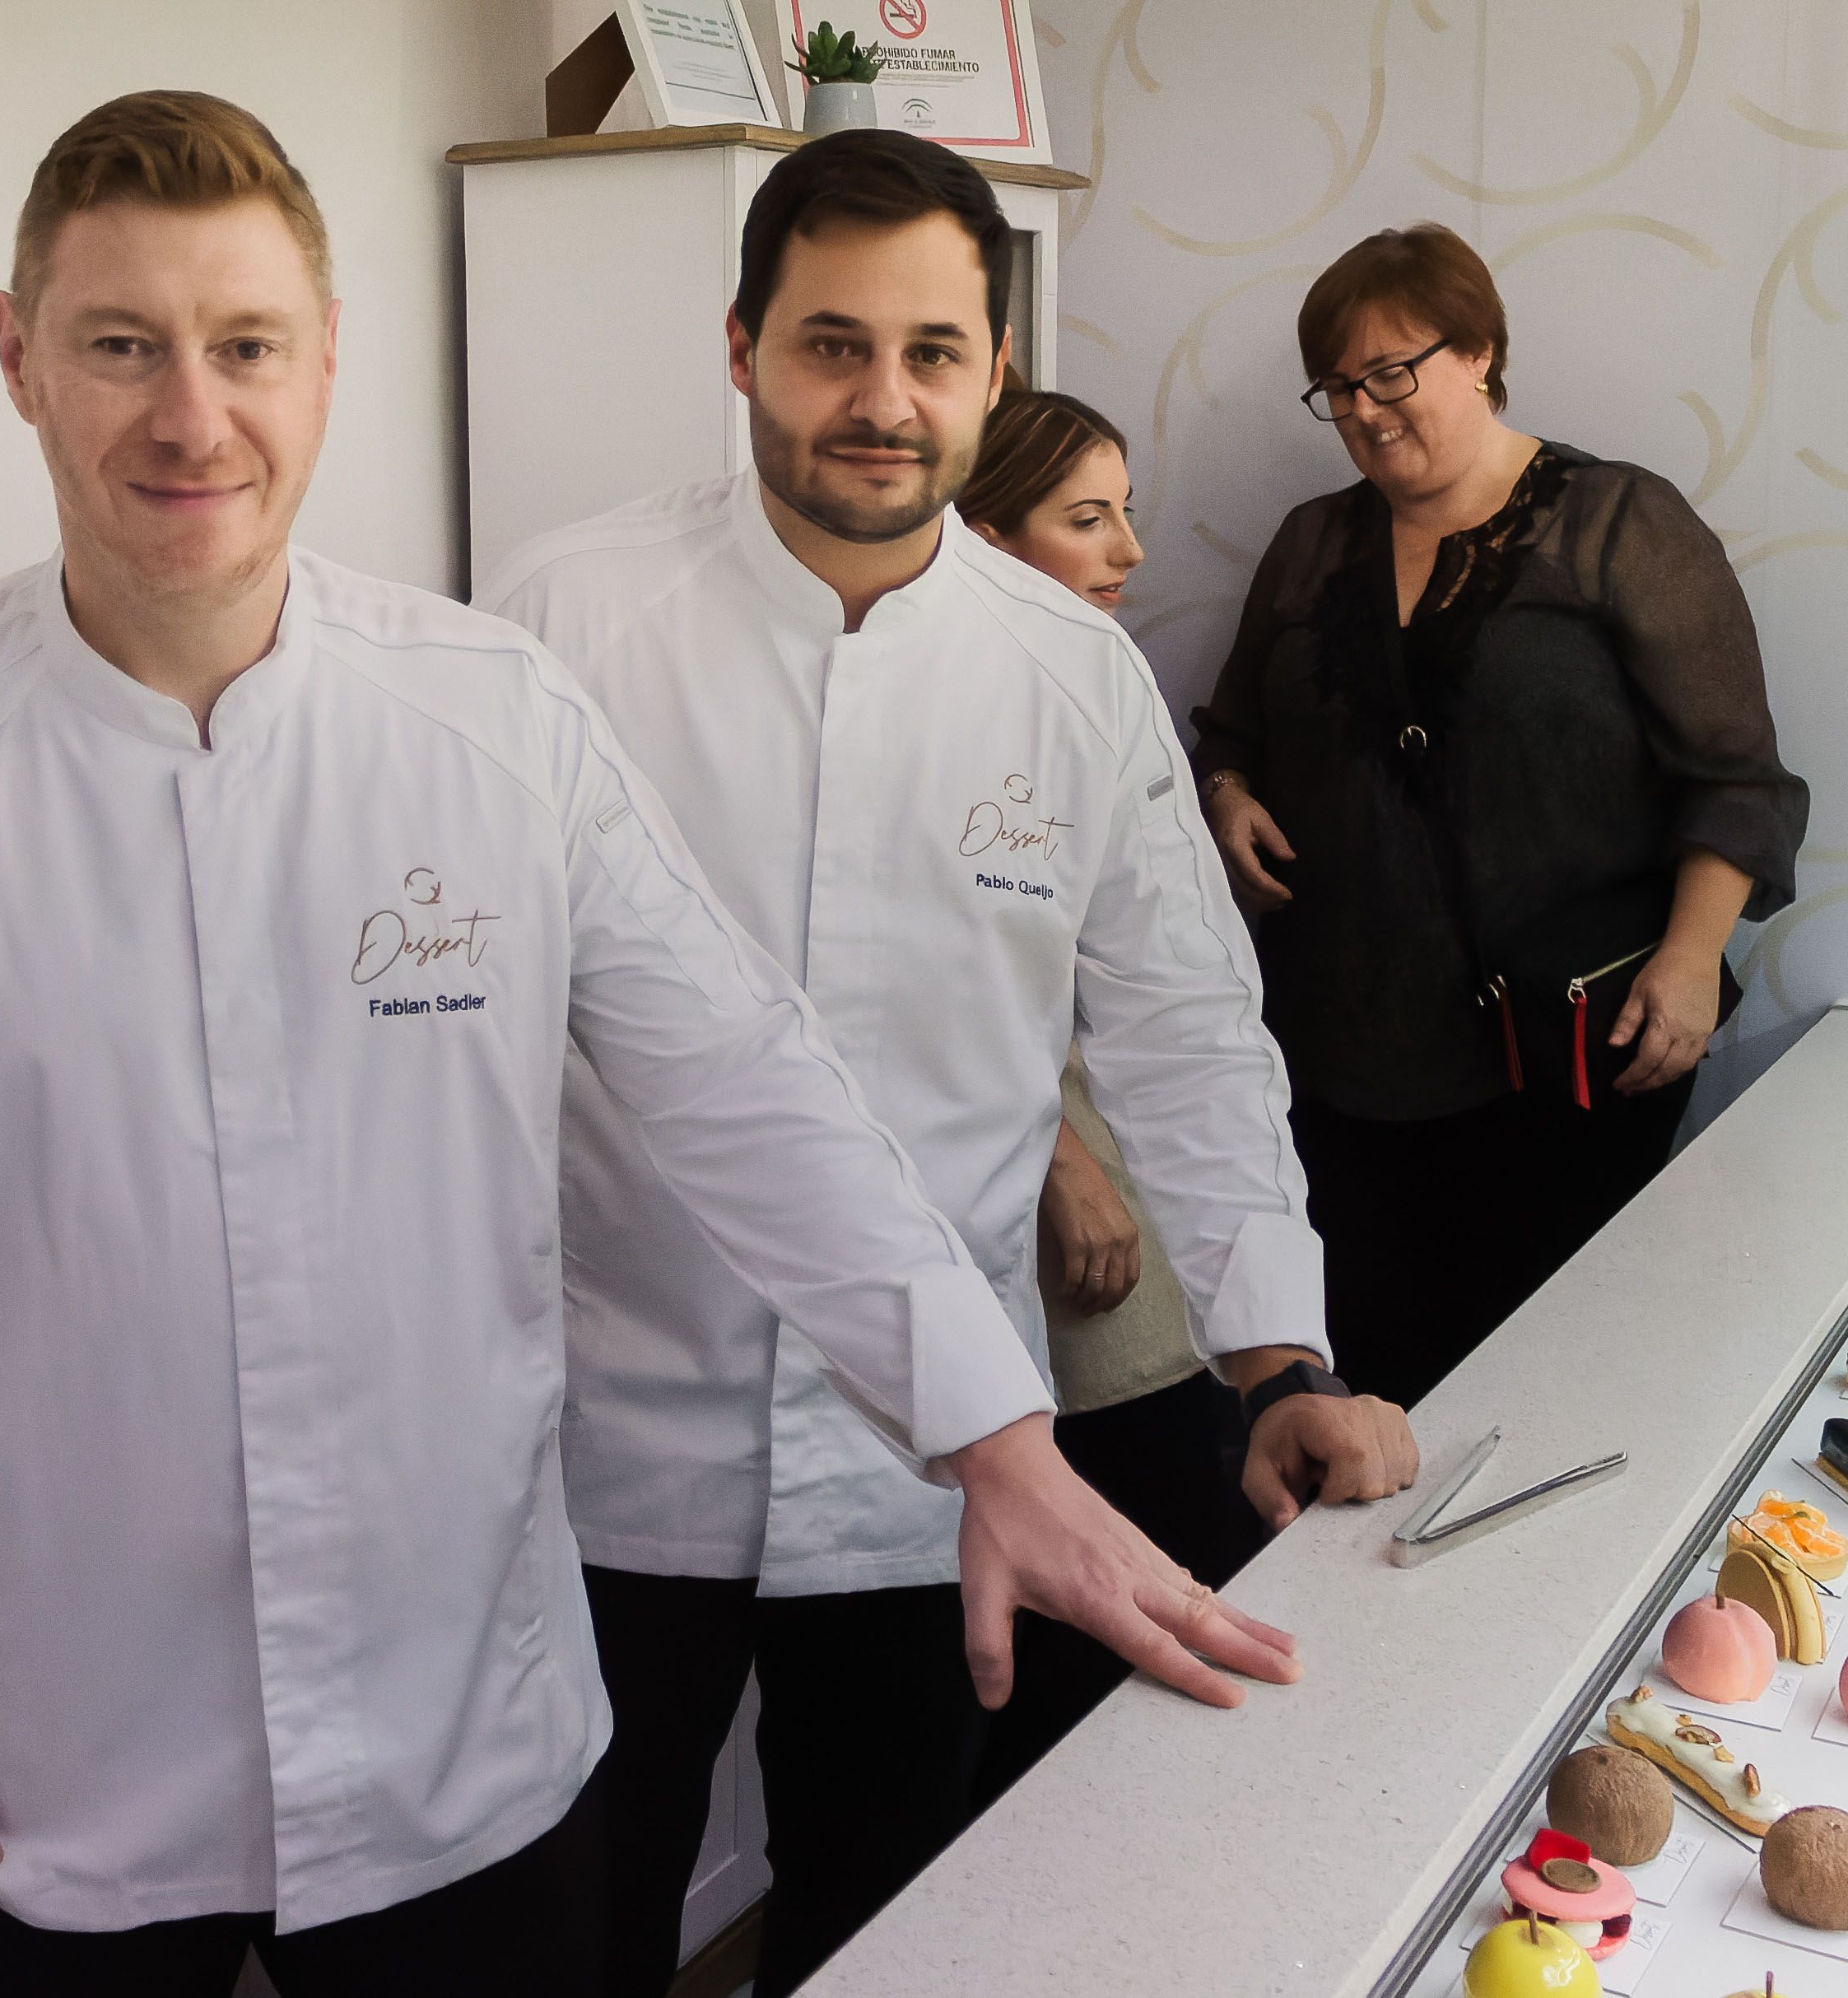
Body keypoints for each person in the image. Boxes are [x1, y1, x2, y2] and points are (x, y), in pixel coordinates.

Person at [0, 93, 1300, 1998]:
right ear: (18, 356)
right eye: (122, 345)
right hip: (37, 1730)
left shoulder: (490, 715)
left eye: (247, 346)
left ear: (328, 362)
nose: (192, 416)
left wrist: (992, 1432)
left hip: (454, 1725)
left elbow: (745, 1088)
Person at [482, 132, 1420, 1997]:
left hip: (942, 1467)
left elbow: (1184, 1036)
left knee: (885, 1928)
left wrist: (1275, 1352)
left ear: (994, 371)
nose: (881, 401)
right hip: (598, 1450)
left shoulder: (1070, 682)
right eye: (831, 344)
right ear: (740, 344)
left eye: (930, 353)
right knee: (572, 1935)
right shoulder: (556, 621)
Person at [1192, 222, 1809, 1413]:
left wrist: (1690, 963)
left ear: (1479, 353)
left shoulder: (1622, 524)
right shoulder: (1314, 541)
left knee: (1536, 1383)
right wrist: (1227, 797)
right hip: (1337, 1047)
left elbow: (1737, 778)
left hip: (1561, 1060)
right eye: (1336, 387)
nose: (1364, 409)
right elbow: (1231, 731)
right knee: (1360, 1369)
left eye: (1390, 373)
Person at [952, 389, 1278, 1805]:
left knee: (1168, 1506)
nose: (1131, 550)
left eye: (1127, 511)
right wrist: (1060, 1159)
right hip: (1028, 1195)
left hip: (1121, 1155)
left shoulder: (1097, 691)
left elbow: (1179, 1003)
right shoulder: (926, 716)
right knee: (1115, 1555)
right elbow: (917, 1002)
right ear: (979, 536)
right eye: (1089, 518)